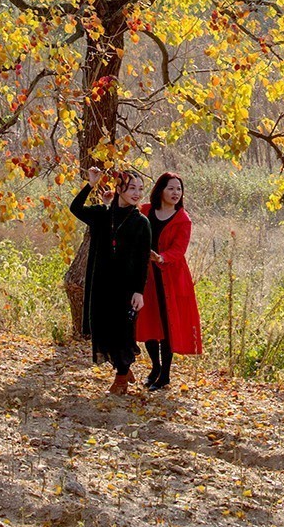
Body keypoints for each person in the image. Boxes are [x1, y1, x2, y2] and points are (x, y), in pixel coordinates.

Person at [69, 168, 150, 396]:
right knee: (104, 329)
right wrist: (90, 184)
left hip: (126, 287)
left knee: (123, 331)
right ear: (119, 189)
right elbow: (75, 208)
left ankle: (121, 376)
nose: (136, 193)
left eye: (140, 189)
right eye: (131, 187)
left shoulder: (141, 222)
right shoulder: (103, 214)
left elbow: (143, 261)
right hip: (102, 283)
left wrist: (138, 291)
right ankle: (123, 367)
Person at [136, 172, 202, 390]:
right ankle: (155, 366)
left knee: (167, 324)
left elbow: (179, 249)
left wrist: (161, 258)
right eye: (171, 188)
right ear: (161, 190)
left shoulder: (183, 219)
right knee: (149, 322)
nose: (176, 193)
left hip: (170, 276)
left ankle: (165, 375)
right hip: (147, 277)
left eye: (179, 189)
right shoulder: (144, 211)